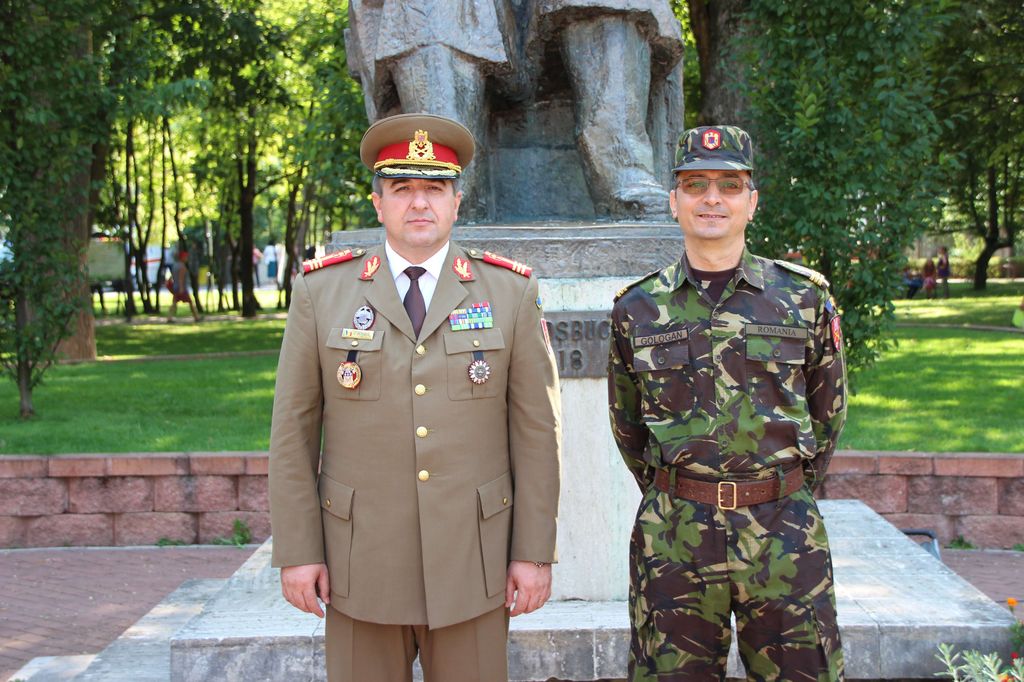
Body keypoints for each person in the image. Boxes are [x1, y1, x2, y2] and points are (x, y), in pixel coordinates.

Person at [268, 113, 561, 682]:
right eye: (402, 188)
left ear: (457, 202)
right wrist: (299, 551)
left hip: (472, 563)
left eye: (435, 188)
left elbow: (537, 434)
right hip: (361, 563)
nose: (420, 202)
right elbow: (292, 434)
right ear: (378, 204)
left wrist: (532, 553)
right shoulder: (320, 292)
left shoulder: (510, 291)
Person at [608, 125, 847, 680]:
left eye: (729, 185)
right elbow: (628, 426)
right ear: (674, 201)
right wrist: (682, 490)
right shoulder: (636, 308)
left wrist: (781, 487)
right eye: (695, 184)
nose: (711, 198)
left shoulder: (803, 298)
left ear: (752, 202)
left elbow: (828, 413)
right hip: (675, 533)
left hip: (783, 528)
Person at [166, 248, 200, 323]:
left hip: (176, 287)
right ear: (182, 258)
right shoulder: (182, 267)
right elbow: (181, 278)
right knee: (190, 302)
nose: (187, 258)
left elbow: (172, 277)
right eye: (186, 257)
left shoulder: (175, 266)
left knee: (174, 303)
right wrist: (181, 288)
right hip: (182, 288)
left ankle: (169, 318)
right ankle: (196, 317)